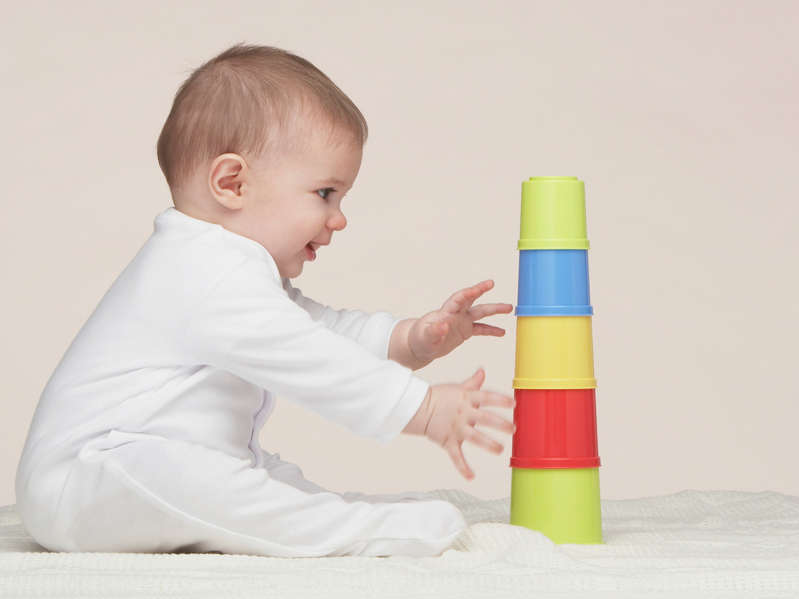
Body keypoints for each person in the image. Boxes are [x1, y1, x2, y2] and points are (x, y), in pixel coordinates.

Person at [15, 43, 515, 558]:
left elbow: (316, 329)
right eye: (325, 193)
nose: (339, 218)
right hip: (87, 480)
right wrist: (421, 407)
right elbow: (310, 357)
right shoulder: (202, 270)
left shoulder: (223, 267)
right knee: (198, 482)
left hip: (138, 474)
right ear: (232, 183)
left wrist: (408, 339)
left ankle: (333, 512)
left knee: (257, 476)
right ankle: (355, 530)